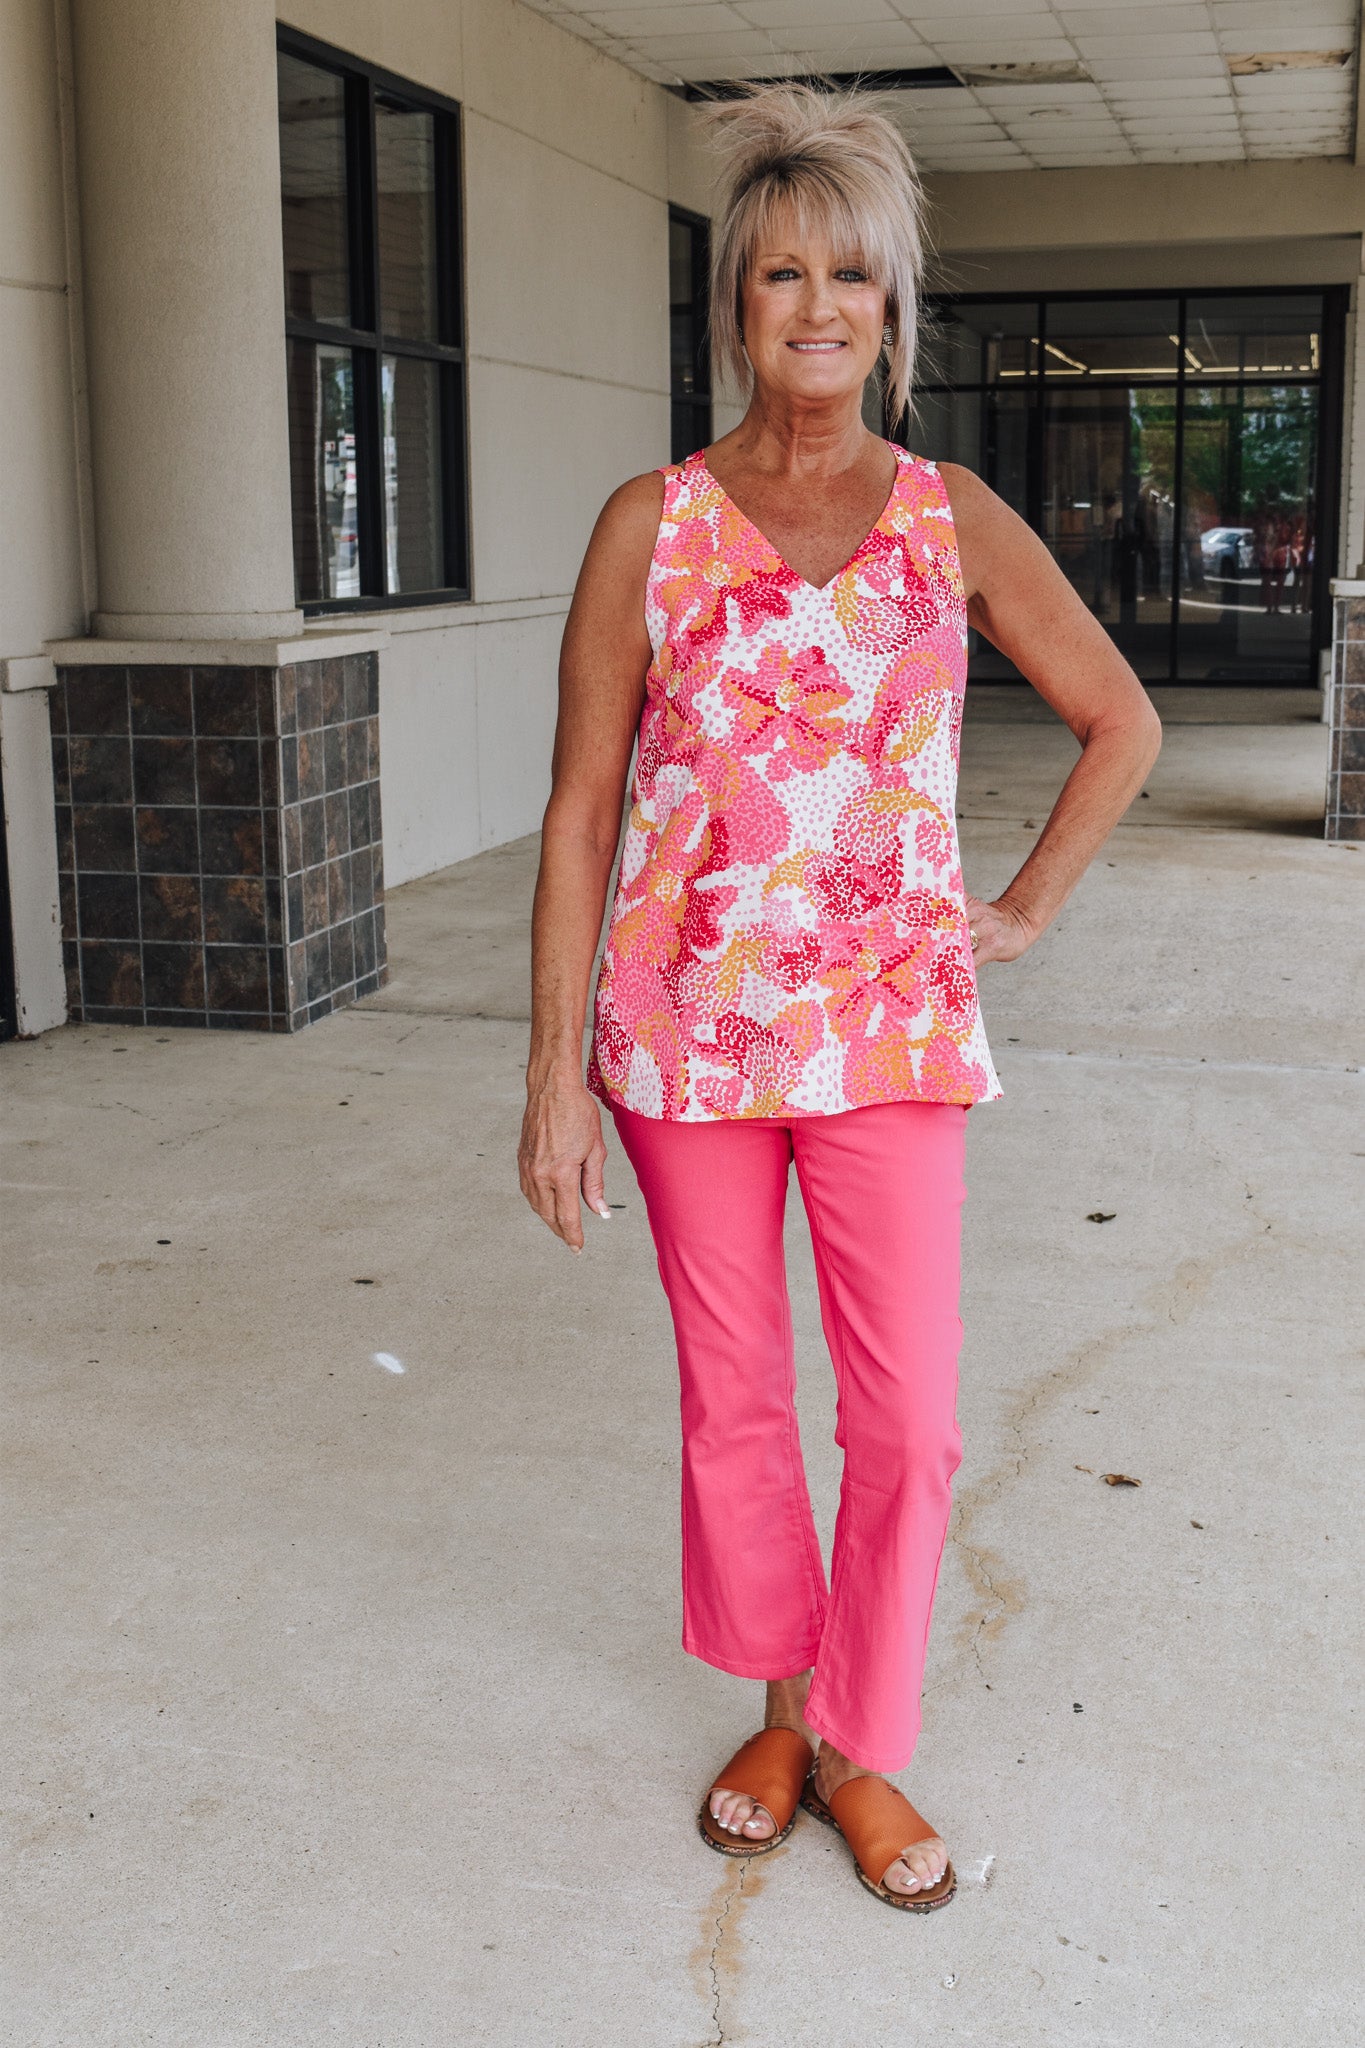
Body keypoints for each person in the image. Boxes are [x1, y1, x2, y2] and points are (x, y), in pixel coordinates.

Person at [518, 85, 1161, 1914]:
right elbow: (577, 806)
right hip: (680, 1043)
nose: (814, 307)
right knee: (734, 1402)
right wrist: (553, 1075)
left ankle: (867, 1740)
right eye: (778, 271)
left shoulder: (948, 520)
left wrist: (1013, 912)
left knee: (907, 1426)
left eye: (851, 277)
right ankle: (785, 1710)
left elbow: (1122, 722)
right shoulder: (652, 521)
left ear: (891, 308)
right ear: (732, 299)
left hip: (884, 1041)